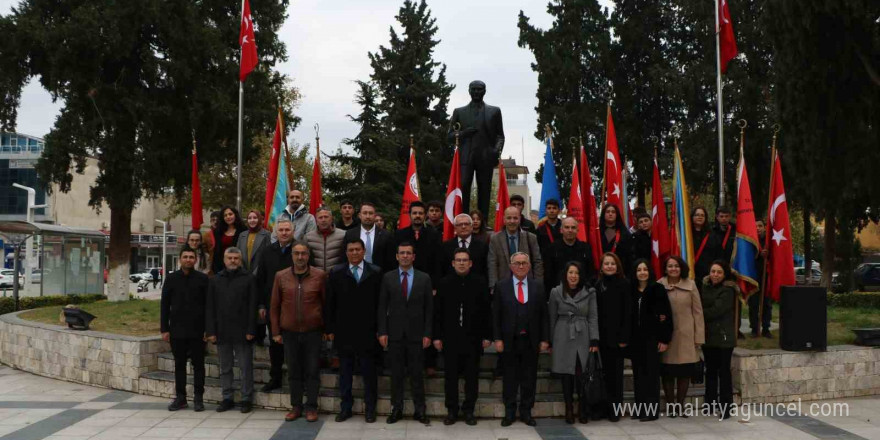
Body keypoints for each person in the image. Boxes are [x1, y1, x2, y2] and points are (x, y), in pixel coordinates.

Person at [325, 239, 382, 423]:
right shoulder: (336, 272)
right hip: (344, 331)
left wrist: (380, 329)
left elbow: (381, 304)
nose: (355, 253)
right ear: (346, 252)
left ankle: (370, 408)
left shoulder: (375, 272)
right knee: (345, 372)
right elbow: (330, 303)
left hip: (368, 331)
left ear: (364, 251)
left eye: (358, 249)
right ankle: (346, 407)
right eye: (351, 250)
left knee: (369, 372)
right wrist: (330, 328)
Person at [433, 248, 491, 425]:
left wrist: (487, 335)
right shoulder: (444, 283)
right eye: (458, 260)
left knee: (471, 377)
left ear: (470, 263)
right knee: (450, 377)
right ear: (452, 263)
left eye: (465, 260)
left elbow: (487, 312)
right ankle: (452, 410)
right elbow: (437, 313)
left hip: (473, 339)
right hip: (450, 338)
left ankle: (468, 411)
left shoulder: (480, 282)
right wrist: (437, 337)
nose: (461, 263)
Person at [377, 242, 433, 424]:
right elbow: (382, 307)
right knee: (396, 375)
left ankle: (420, 410)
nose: (405, 256)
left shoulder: (424, 278)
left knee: (417, 374)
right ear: (397, 256)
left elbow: (429, 310)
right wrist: (383, 331)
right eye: (402, 253)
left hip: (417, 335)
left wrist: (428, 333)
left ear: (413, 256)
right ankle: (397, 409)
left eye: (409, 253)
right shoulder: (388, 278)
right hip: (394, 335)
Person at [270, 242, 327, 423]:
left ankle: (311, 407)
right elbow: (274, 306)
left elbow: (326, 304)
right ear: (292, 255)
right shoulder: (281, 276)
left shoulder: (320, 276)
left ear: (308, 255)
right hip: (290, 332)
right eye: (297, 253)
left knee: (312, 370)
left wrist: (326, 329)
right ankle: (296, 406)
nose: (300, 257)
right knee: (293, 371)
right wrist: (275, 331)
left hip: (313, 332)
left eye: (303, 254)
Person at [493, 252, 550, 427]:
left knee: (529, 379)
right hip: (509, 340)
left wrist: (544, 339)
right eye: (517, 263)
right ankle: (509, 413)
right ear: (510, 266)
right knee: (510, 378)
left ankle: (526, 412)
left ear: (529, 266)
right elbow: (496, 315)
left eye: (524, 263)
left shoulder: (538, 286)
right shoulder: (501, 286)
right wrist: (497, 339)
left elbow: (544, 316)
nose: (520, 266)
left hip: (531, 341)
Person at [205, 247, 258, 413]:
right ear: (224, 260)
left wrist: (251, 329)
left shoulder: (249, 279)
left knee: (245, 367)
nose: (233, 261)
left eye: (236, 258)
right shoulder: (215, 280)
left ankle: (246, 398)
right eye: (230, 258)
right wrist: (211, 331)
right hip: (222, 331)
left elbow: (252, 306)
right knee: (225, 367)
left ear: (240, 260)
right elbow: (210, 307)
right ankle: (227, 397)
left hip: (243, 332)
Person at [549, 261, 599, 424]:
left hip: (582, 334)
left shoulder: (590, 292)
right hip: (562, 334)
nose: (573, 276)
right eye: (570, 272)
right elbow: (552, 318)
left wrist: (594, 339)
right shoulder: (556, 292)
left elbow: (592, 316)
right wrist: (550, 341)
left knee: (581, 373)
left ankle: (583, 408)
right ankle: (569, 408)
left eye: (576, 273)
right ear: (565, 274)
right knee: (566, 374)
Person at [161, 248, 210, 412]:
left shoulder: (203, 279)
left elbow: (209, 307)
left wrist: (208, 329)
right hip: (177, 330)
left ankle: (198, 398)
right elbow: (164, 305)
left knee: (198, 366)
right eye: (185, 257)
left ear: (195, 260)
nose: (188, 260)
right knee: (179, 365)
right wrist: (164, 328)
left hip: (198, 331)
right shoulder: (171, 279)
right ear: (180, 259)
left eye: (191, 257)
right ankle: (181, 398)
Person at [447, 80, 505, 218]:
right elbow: (449, 135)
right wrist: (463, 133)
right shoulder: (459, 112)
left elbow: (500, 136)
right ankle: (463, 219)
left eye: (479, 89)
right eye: (473, 89)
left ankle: (483, 223)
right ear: (469, 91)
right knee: (463, 188)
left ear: (484, 91)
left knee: (484, 190)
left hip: (486, 156)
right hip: (465, 158)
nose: (476, 92)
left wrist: (495, 151)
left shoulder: (494, 111)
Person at [659, 256, 704, 418]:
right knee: (668, 372)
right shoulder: (658, 285)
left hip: (687, 336)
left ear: (681, 268)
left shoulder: (691, 285)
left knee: (684, 372)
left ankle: (680, 405)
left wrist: (699, 337)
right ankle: (670, 405)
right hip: (667, 337)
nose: (673, 269)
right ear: (665, 269)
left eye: (676, 266)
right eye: (670, 266)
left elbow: (698, 313)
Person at [629, 259, 673, 422]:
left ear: (650, 271)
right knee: (638, 374)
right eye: (639, 269)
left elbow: (666, 315)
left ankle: (651, 411)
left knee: (651, 375)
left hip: (653, 339)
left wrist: (664, 339)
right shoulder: (631, 289)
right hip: (636, 339)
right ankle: (640, 408)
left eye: (645, 269)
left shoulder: (657, 289)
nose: (642, 272)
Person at [256, 219, 294, 392]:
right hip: (273, 306)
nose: (284, 233)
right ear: (276, 232)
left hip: (295, 306)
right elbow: (261, 280)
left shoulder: (300, 250)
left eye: (287, 230)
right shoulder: (267, 252)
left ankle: (297, 379)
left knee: (294, 345)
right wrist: (261, 304)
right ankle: (275, 378)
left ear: (293, 231)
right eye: (281, 230)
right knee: (275, 343)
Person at [594, 252, 631, 422]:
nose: (609, 266)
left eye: (612, 264)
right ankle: (603, 408)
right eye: (606, 263)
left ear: (617, 267)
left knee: (616, 376)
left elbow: (627, 313)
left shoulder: (624, 284)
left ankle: (615, 410)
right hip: (601, 337)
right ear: (601, 267)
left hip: (618, 339)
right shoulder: (597, 285)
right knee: (603, 375)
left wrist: (624, 337)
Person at [701, 260, 738, 419]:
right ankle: (709, 403)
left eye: (719, 272)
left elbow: (717, 310)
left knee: (724, 373)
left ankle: (726, 407)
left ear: (724, 274)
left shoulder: (728, 290)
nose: (715, 275)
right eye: (713, 271)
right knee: (710, 371)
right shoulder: (704, 287)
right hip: (708, 337)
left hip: (724, 338)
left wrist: (699, 312)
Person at [488, 206, 543, 289]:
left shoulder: (531, 238)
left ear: (519, 219)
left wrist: (538, 284)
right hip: (503, 285)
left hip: (527, 284)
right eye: (509, 218)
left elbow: (537, 262)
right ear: (504, 220)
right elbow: (492, 263)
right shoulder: (495, 239)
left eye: (515, 218)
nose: (512, 221)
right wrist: (493, 286)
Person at [394, 201, 442, 284]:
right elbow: (394, 259)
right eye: (414, 213)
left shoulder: (434, 235)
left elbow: (437, 261)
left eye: (420, 213)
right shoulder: (399, 234)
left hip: (427, 281)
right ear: (410, 215)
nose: (417, 216)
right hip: (404, 279)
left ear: (425, 215)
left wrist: (434, 285)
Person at [544, 217, 595, 289]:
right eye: (567, 227)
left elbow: (590, 272)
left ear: (577, 230)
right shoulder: (552, 248)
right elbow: (548, 274)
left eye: (573, 227)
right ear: (561, 230)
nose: (570, 230)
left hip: (582, 292)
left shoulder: (586, 248)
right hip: (559, 293)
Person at [343, 202, 393, 272]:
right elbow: (344, 257)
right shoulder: (350, 234)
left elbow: (390, 261)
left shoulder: (386, 235)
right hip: (355, 276)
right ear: (360, 215)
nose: (368, 216)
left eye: (370, 213)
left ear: (375, 215)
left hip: (379, 277)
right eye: (365, 213)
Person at [441, 213, 489, 279]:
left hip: (476, 285)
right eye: (460, 224)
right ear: (455, 228)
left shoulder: (482, 246)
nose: (463, 227)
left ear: (472, 227)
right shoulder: (445, 246)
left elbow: (485, 268)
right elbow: (442, 269)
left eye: (466, 224)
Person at [749, 219, 772, 338]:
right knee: (753, 304)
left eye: (760, 226)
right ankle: (754, 328)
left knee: (766, 303)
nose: (758, 228)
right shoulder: (749, 240)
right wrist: (758, 255)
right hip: (753, 276)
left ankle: (766, 328)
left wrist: (768, 255)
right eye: (755, 226)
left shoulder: (769, 241)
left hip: (765, 276)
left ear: (764, 227)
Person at [306, 206, 345, 273]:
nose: (323, 220)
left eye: (326, 217)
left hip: (337, 276)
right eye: (320, 217)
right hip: (316, 277)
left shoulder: (343, 235)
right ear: (316, 221)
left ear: (332, 219)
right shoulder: (308, 237)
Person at [211, 206, 247, 274]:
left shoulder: (243, 230)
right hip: (220, 267)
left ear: (235, 215)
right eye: (225, 215)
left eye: (230, 214)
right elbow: (216, 251)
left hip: (237, 266)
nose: (228, 217)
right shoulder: (218, 231)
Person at [600, 204, 633, 272]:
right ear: (603, 214)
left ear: (617, 214)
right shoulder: (597, 232)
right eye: (608, 212)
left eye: (613, 212)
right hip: (601, 270)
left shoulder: (624, 233)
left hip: (620, 270)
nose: (610, 214)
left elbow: (629, 255)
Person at [236, 210, 271, 276]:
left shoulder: (267, 234)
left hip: (260, 275)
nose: (252, 220)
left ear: (260, 219)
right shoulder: (242, 235)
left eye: (255, 218)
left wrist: (255, 274)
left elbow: (268, 256)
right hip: (243, 274)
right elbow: (238, 254)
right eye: (249, 218)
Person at [691, 206, 720, 283]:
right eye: (697, 215)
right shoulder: (686, 235)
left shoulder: (712, 235)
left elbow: (718, 254)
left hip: (707, 274)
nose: (700, 217)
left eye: (702, 215)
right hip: (690, 272)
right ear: (692, 217)